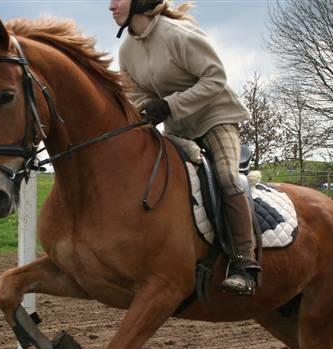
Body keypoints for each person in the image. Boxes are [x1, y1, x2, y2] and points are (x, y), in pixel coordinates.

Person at [111, 0, 260, 296]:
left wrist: (169, 104)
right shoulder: (127, 49)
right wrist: (147, 110)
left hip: (216, 118)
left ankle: (245, 264)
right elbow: (136, 93)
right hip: (179, 128)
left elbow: (216, 78)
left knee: (228, 177)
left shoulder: (178, 35)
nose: (111, 5)